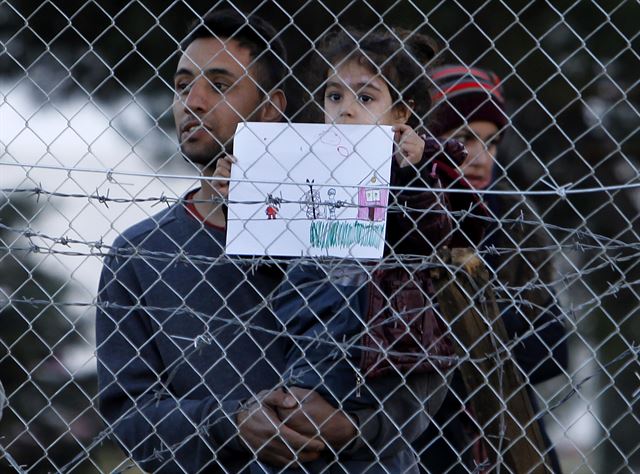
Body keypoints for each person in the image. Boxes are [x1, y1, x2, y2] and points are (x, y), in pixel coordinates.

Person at [96, 10, 456, 473]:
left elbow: (421, 358)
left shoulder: (371, 221)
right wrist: (227, 424)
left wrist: (357, 425)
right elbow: (127, 414)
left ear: (271, 107)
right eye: (183, 85)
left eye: (220, 85)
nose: (194, 102)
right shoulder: (141, 254)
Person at [252, 29, 489, 473]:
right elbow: (267, 248)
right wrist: (247, 185)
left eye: (365, 98)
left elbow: (431, 233)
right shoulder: (303, 164)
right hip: (301, 328)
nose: (345, 111)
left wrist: (414, 171)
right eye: (334, 96)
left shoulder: (411, 169)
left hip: (371, 342)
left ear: (400, 112)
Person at [414, 65, 569, 473]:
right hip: (414, 438)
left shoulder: (515, 220)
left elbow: (551, 348)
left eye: (493, 141)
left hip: (508, 437)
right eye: (463, 138)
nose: (481, 158)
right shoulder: (396, 211)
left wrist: (447, 341)